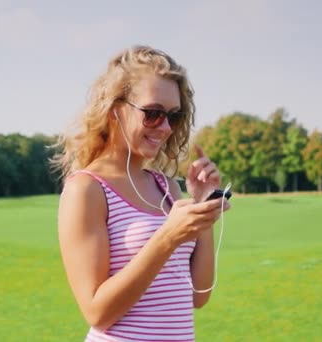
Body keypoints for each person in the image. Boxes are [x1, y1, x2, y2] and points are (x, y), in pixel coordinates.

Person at [53, 45, 231, 341]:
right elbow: (97, 313)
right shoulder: (86, 189)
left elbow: (199, 296)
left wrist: (203, 210)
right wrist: (167, 237)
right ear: (114, 109)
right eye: (152, 113)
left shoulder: (166, 187)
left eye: (173, 116)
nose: (165, 128)